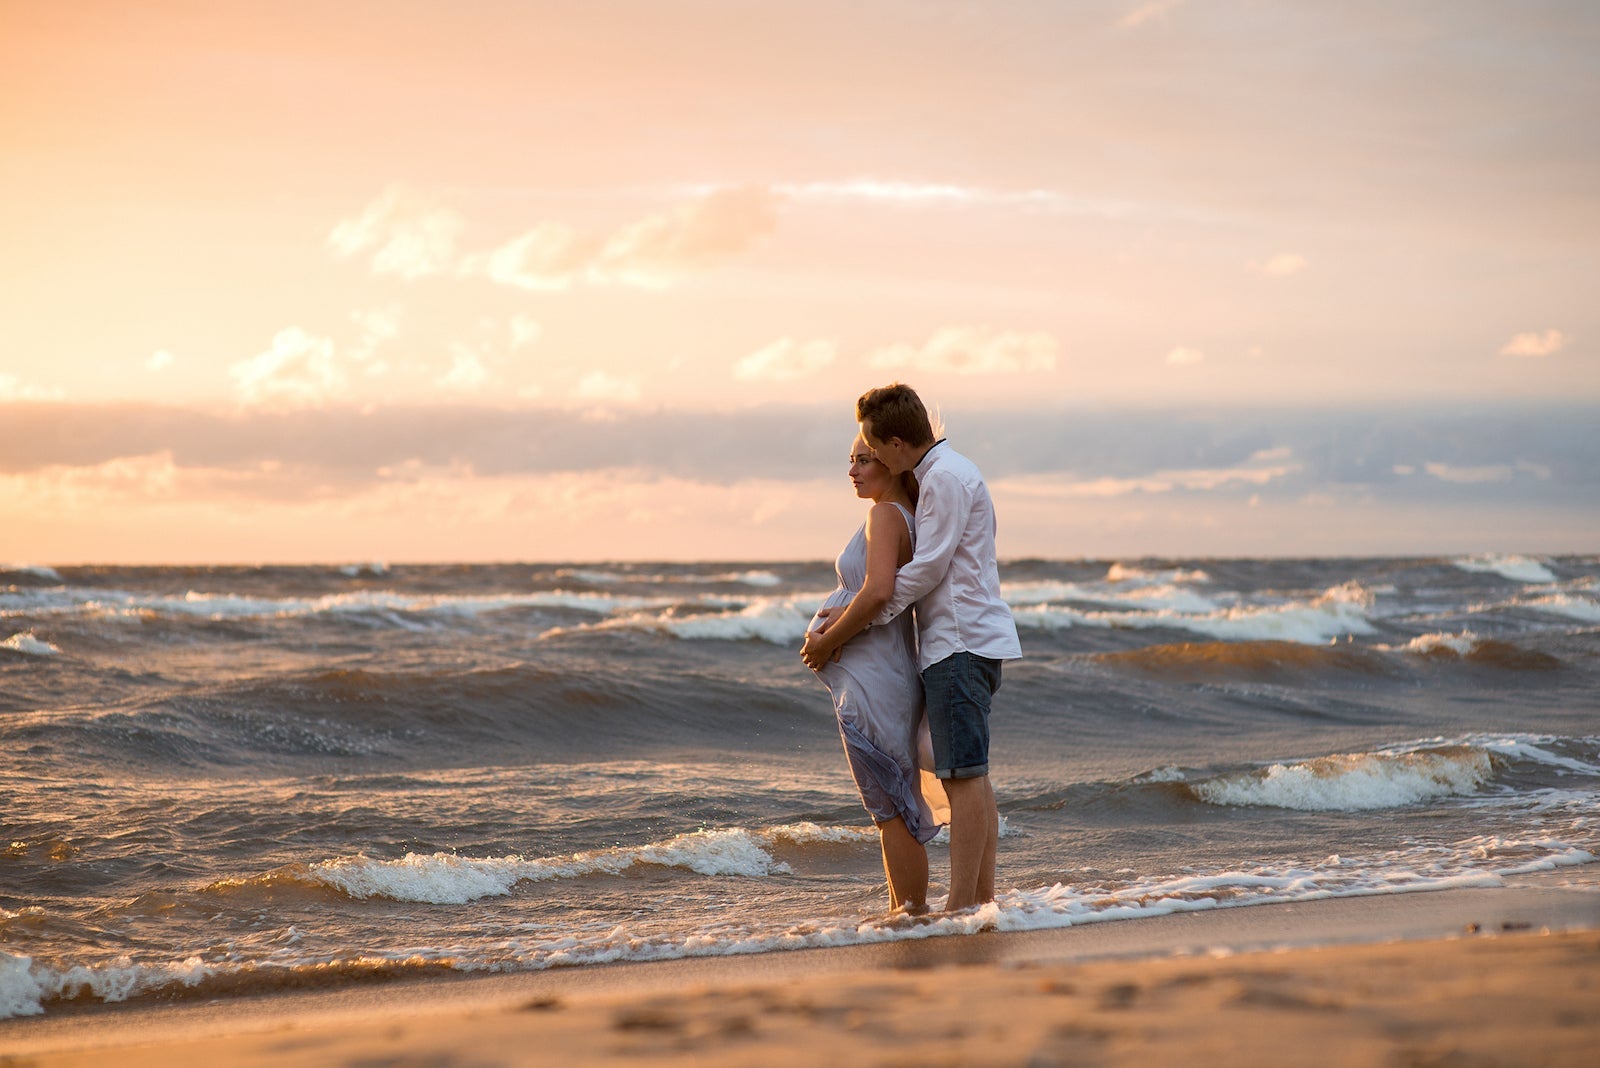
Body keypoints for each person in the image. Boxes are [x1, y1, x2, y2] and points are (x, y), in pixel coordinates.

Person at [802, 383, 1021, 912]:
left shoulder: (942, 479)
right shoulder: (935, 480)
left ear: (896, 446)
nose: (863, 462)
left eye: (871, 452)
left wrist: (849, 625)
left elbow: (923, 570)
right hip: (956, 643)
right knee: (968, 773)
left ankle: (962, 907)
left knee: (963, 776)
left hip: (959, 643)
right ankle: (976, 900)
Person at [803, 433, 949, 914]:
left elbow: (878, 591)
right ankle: (905, 913)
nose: (853, 470)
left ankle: (910, 917)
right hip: (883, 676)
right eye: (851, 460)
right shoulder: (900, 514)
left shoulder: (884, 515)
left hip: (876, 681)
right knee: (893, 801)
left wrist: (829, 640)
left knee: (890, 807)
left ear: (890, 460)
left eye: (865, 460)